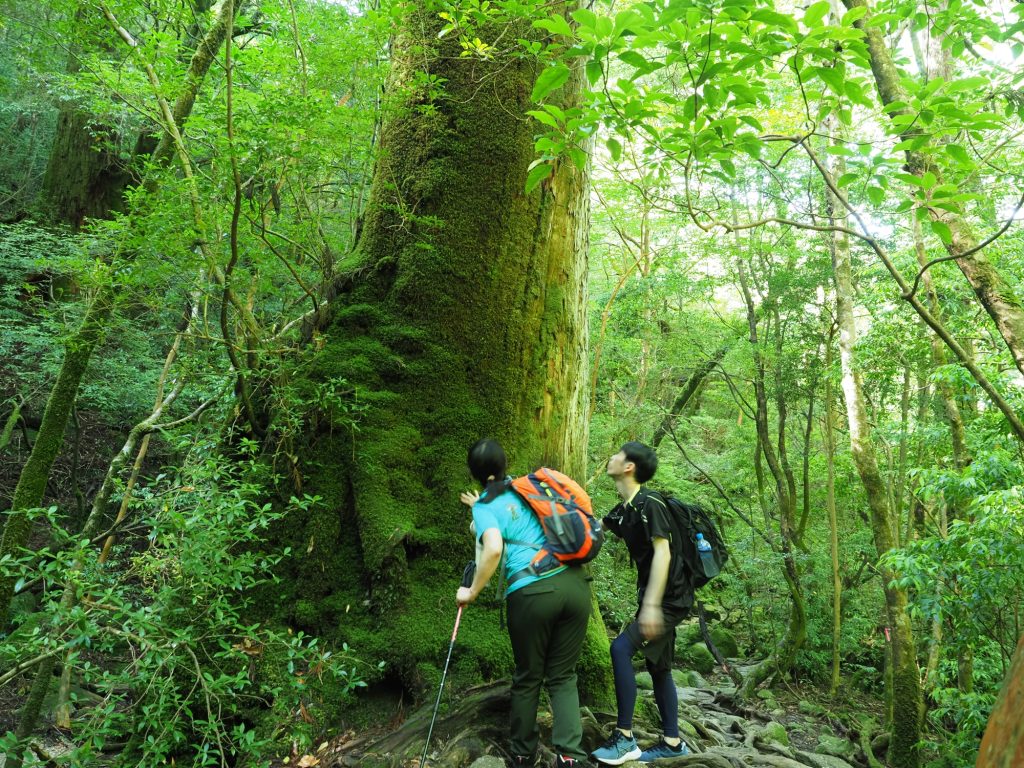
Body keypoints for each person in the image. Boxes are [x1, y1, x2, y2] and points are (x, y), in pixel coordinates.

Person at [456, 439, 593, 768]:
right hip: (574, 585)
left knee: (529, 676)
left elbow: (492, 549)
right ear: (504, 464)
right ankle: (570, 757)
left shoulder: (487, 505)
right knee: (563, 676)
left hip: (533, 592)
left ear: (475, 473)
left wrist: (471, 592)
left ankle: (522, 754)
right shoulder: (528, 487)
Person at [591, 441, 691, 765]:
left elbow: (663, 552)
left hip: (668, 600)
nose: (612, 458)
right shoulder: (625, 509)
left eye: (617, 455)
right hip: (658, 598)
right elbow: (596, 530)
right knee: (659, 668)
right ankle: (673, 743)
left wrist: (650, 606)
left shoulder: (651, 504)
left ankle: (625, 738)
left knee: (620, 649)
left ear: (629, 467)